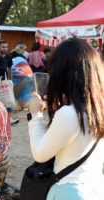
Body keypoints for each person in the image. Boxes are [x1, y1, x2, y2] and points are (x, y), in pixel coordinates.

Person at [27, 38, 104, 199]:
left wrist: (35, 115)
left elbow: (40, 154)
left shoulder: (69, 114)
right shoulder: (98, 109)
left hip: (69, 191)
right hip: (96, 188)